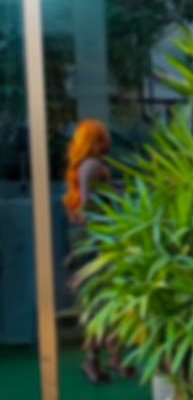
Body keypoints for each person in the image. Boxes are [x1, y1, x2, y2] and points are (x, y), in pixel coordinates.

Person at [62, 118, 120, 384]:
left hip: (87, 240)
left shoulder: (81, 168)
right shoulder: (93, 166)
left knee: (100, 301)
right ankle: (98, 359)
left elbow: (82, 204)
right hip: (99, 240)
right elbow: (88, 205)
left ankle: (107, 357)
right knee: (104, 301)